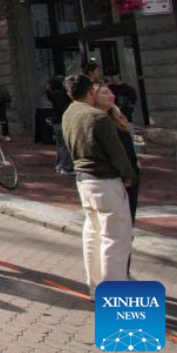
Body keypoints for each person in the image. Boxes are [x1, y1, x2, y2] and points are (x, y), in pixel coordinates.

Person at [62, 74, 136, 294]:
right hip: (105, 180)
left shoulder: (68, 114)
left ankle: (95, 285)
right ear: (91, 92)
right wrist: (128, 175)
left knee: (93, 234)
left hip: (83, 179)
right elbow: (116, 153)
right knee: (114, 238)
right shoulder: (97, 118)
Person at [92, 83, 140, 233]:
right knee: (117, 227)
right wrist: (123, 174)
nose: (111, 96)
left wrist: (135, 163)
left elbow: (126, 146)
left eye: (111, 93)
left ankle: (126, 254)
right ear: (93, 97)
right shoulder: (96, 120)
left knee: (128, 221)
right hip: (116, 178)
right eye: (105, 93)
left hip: (131, 174)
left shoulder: (116, 117)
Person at [46, 76, 74, 175]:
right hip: (62, 120)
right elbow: (64, 108)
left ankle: (59, 164)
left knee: (60, 144)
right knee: (66, 144)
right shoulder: (61, 94)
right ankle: (66, 167)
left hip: (56, 121)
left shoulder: (53, 93)